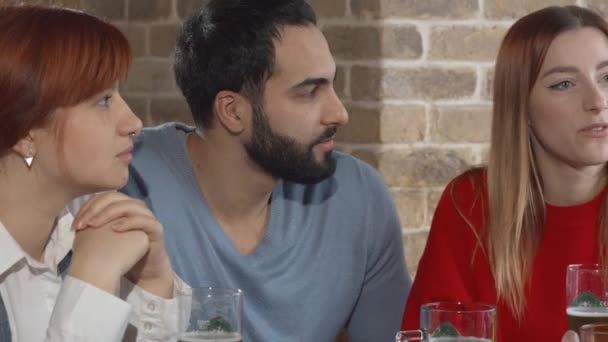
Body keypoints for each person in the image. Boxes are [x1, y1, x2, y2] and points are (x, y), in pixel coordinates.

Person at [121, 0, 410, 340]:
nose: (339, 113)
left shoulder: (359, 198)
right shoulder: (125, 182)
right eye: (309, 92)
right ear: (232, 111)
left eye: (332, 85)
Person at [401, 5, 608, 342]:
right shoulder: (470, 204)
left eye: (607, 77)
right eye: (564, 84)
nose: (597, 100)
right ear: (521, 107)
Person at [0, 5, 186, 341]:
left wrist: (153, 283)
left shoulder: (99, 225)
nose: (134, 123)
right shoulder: (95, 252)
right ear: (24, 133)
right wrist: (92, 280)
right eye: (103, 100)